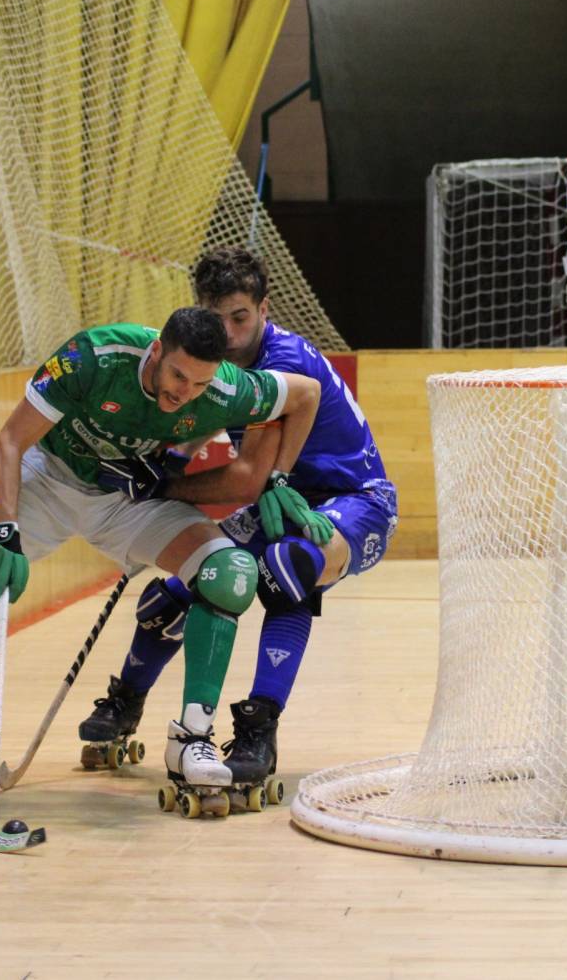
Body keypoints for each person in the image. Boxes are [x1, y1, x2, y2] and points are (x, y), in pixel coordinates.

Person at [0, 306, 325, 798]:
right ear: (157, 350)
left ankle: (191, 737)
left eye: (200, 384)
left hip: (126, 501)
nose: (185, 393)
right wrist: (4, 530)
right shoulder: (92, 357)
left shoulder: (225, 389)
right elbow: (8, 443)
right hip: (46, 482)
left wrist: (277, 475)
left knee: (229, 571)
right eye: (179, 377)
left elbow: (305, 395)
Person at [79, 247, 398, 790]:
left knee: (287, 568)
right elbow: (210, 414)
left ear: (264, 310)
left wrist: (162, 486)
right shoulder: (215, 361)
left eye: (240, 317)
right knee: (182, 590)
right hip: (281, 497)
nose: (227, 333)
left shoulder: (283, 363)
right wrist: (167, 459)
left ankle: (258, 730)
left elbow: (245, 476)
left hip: (353, 500)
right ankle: (125, 701)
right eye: (217, 317)